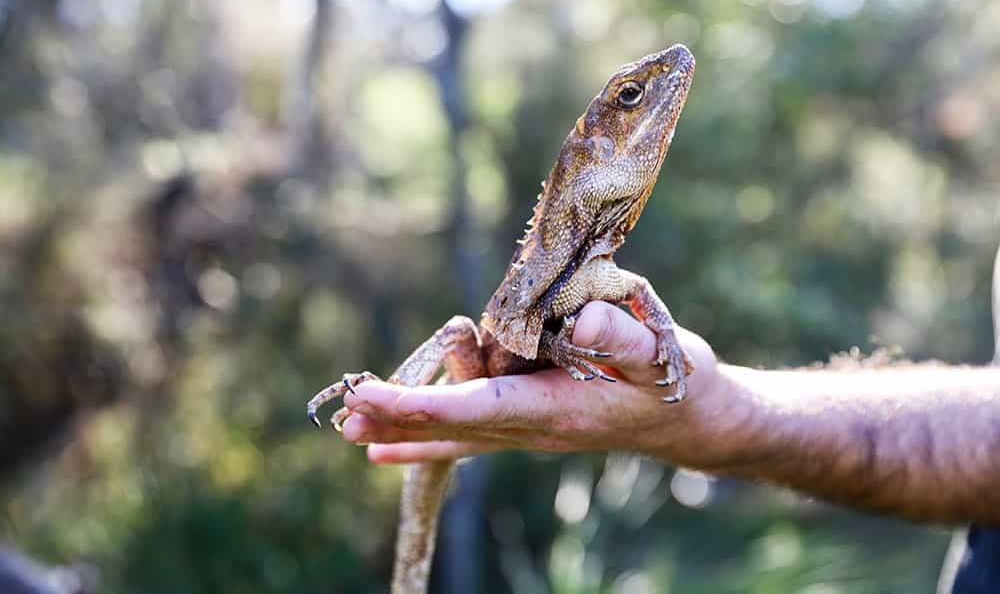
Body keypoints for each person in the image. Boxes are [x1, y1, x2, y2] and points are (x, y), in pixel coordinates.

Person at [338, 260, 1000, 592]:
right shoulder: (564, 250)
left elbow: (635, 292)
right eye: (630, 99)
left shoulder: (602, 263)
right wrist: (724, 404)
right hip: (491, 359)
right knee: (454, 337)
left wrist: (710, 404)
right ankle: (373, 388)